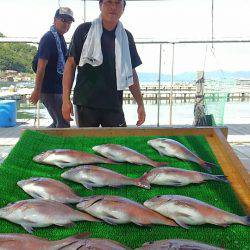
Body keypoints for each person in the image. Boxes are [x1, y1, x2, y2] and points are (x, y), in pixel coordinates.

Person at [62, 0, 146, 127]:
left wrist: (140, 104)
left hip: (114, 104)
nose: (113, 7)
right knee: (87, 144)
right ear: (100, 5)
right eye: (108, 2)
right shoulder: (84, 30)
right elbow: (70, 65)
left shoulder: (127, 37)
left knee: (117, 144)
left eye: (118, 3)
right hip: (86, 103)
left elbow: (131, 72)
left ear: (123, 8)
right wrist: (65, 100)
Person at [30, 7, 74, 128]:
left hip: (57, 88)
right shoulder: (48, 38)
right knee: (63, 123)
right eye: (63, 20)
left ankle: (47, 142)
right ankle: (58, 146)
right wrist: (37, 90)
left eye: (69, 22)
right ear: (55, 20)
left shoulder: (60, 38)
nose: (66, 24)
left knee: (58, 122)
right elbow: (41, 67)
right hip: (49, 90)